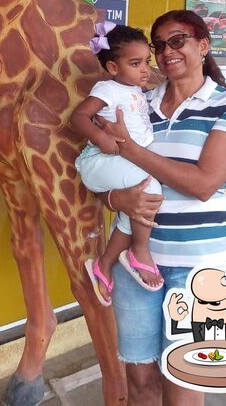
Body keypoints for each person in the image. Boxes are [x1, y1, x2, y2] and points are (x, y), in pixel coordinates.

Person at [97, 9, 226, 406]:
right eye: (159, 45)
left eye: (178, 40)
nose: (167, 51)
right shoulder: (133, 101)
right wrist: (116, 199)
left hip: (198, 268)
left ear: (203, 45)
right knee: (141, 379)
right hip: (136, 265)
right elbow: (102, 172)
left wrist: (128, 147)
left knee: (183, 381)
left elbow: (203, 184)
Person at [70, 22, 164, 306]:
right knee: (152, 189)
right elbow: (78, 117)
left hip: (119, 161)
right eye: (135, 63)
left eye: (145, 62)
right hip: (99, 160)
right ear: (113, 68)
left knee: (130, 212)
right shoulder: (108, 88)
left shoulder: (135, 89)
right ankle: (140, 251)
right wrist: (100, 138)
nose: (144, 69)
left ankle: (104, 265)